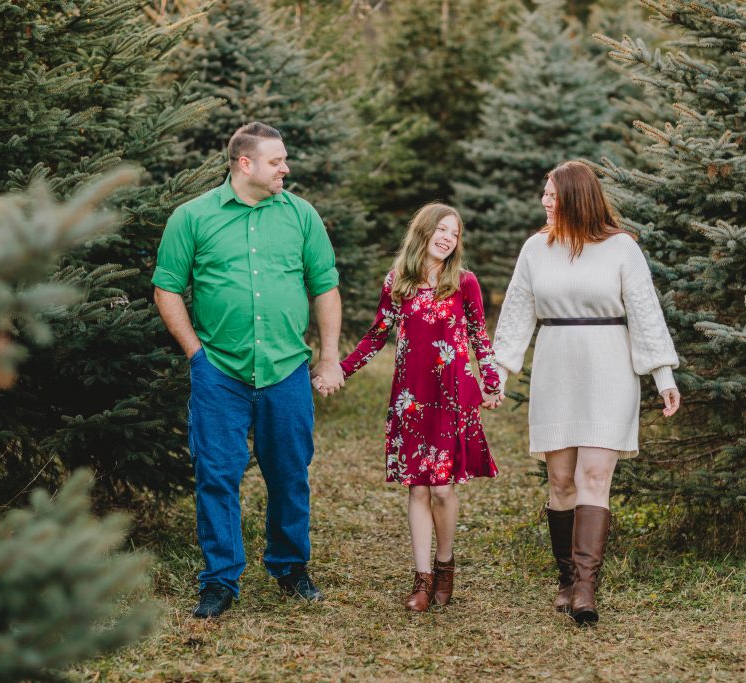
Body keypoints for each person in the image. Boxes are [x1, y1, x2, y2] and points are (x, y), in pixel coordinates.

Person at [152, 122, 344, 618]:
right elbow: (167, 288)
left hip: (286, 371)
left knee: (289, 474)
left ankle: (290, 567)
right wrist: (197, 354)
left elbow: (324, 286)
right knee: (216, 476)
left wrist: (327, 356)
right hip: (220, 373)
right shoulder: (192, 217)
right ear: (245, 164)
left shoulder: (302, 216)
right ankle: (219, 580)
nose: (286, 167)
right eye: (277, 160)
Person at [492, 160, 681, 624]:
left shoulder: (621, 249)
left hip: (609, 368)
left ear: (577, 198)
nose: (545, 201)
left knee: (594, 477)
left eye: (553, 195)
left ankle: (585, 589)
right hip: (556, 367)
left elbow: (645, 312)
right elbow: (517, 313)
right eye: (545, 193)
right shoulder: (536, 249)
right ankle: (564, 576)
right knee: (560, 482)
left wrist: (663, 375)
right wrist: (497, 373)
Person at [330, 203, 502, 612]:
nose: (447, 237)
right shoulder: (398, 282)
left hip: (452, 396)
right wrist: (340, 370)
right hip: (412, 397)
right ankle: (423, 580)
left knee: (443, 489)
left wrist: (491, 383)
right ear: (423, 232)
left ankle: (446, 566)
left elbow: (479, 336)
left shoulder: (464, 282)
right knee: (418, 487)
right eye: (441, 229)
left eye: (454, 233)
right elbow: (376, 336)